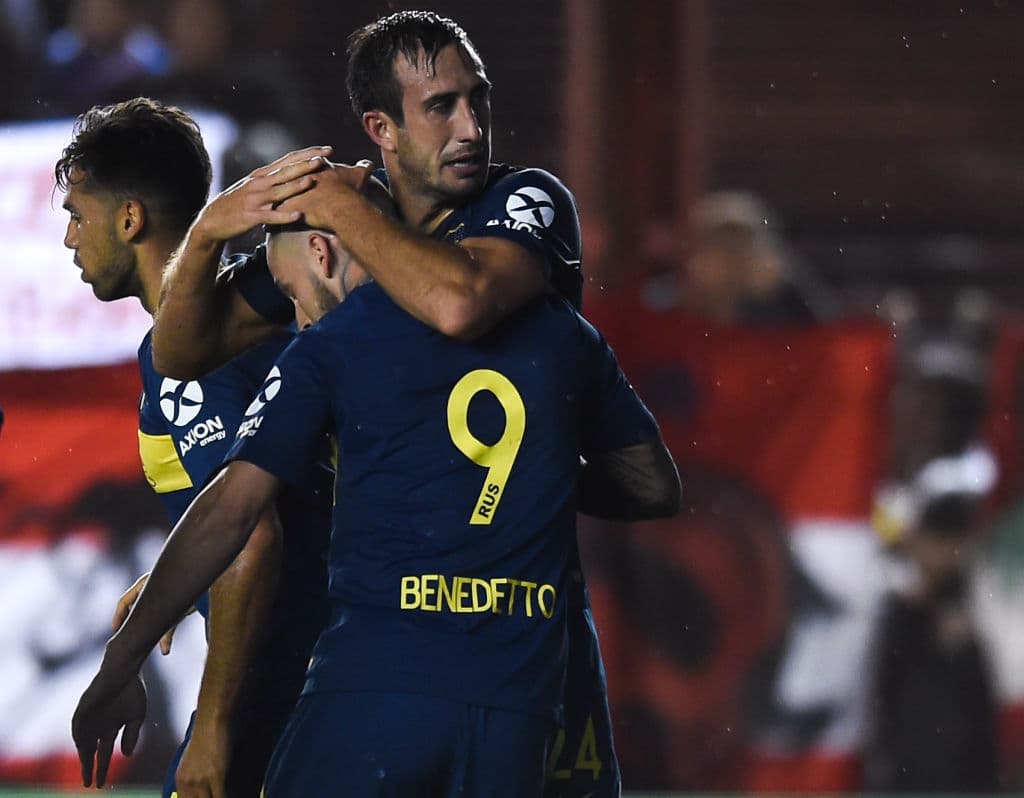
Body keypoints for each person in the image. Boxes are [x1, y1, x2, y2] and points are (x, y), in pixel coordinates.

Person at [72, 171, 680, 793]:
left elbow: (235, 515)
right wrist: (529, 477)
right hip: (530, 689)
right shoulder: (554, 329)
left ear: (320, 250)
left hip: (380, 684)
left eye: (289, 293)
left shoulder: (337, 343)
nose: (298, 317)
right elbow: (655, 487)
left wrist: (125, 659)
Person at [150, 11, 627, 796]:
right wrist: (207, 235)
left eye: (479, 100)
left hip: (520, 624)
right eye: (442, 106)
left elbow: (460, 301)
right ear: (383, 127)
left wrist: (336, 210)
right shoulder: (343, 230)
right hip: (389, 627)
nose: (472, 126)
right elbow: (182, 353)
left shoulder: (524, 198)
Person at [55, 97, 332, 797]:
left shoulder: (186, 355)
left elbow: (250, 537)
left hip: (280, 683)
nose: (68, 240)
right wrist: (174, 581)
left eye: (76, 216)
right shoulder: (251, 313)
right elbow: (287, 489)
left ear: (130, 219)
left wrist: (213, 727)